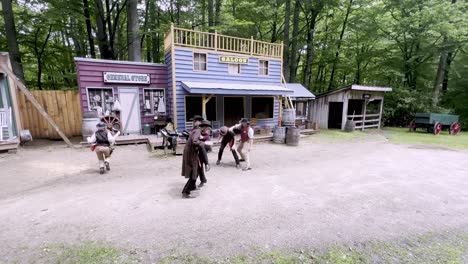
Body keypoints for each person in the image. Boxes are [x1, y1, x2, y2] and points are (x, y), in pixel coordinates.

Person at [181, 116, 204, 198]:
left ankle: (193, 186)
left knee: (195, 171)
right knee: (194, 172)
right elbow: (195, 141)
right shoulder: (197, 130)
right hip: (191, 153)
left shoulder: (195, 129)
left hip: (189, 151)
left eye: (195, 121)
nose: (194, 122)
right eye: (194, 121)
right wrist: (202, 143)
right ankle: (185, 191)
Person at [197, 120, 212, 187]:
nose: (205, 128)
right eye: (204, 127)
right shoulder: (199, 131)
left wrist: (203, 138)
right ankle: (203, 180)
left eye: (206, 127)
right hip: (199, 151)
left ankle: (206, 163)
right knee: (199, 167)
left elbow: (208, 142)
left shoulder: (206, 134)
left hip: (204, 151)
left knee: (200, 166)